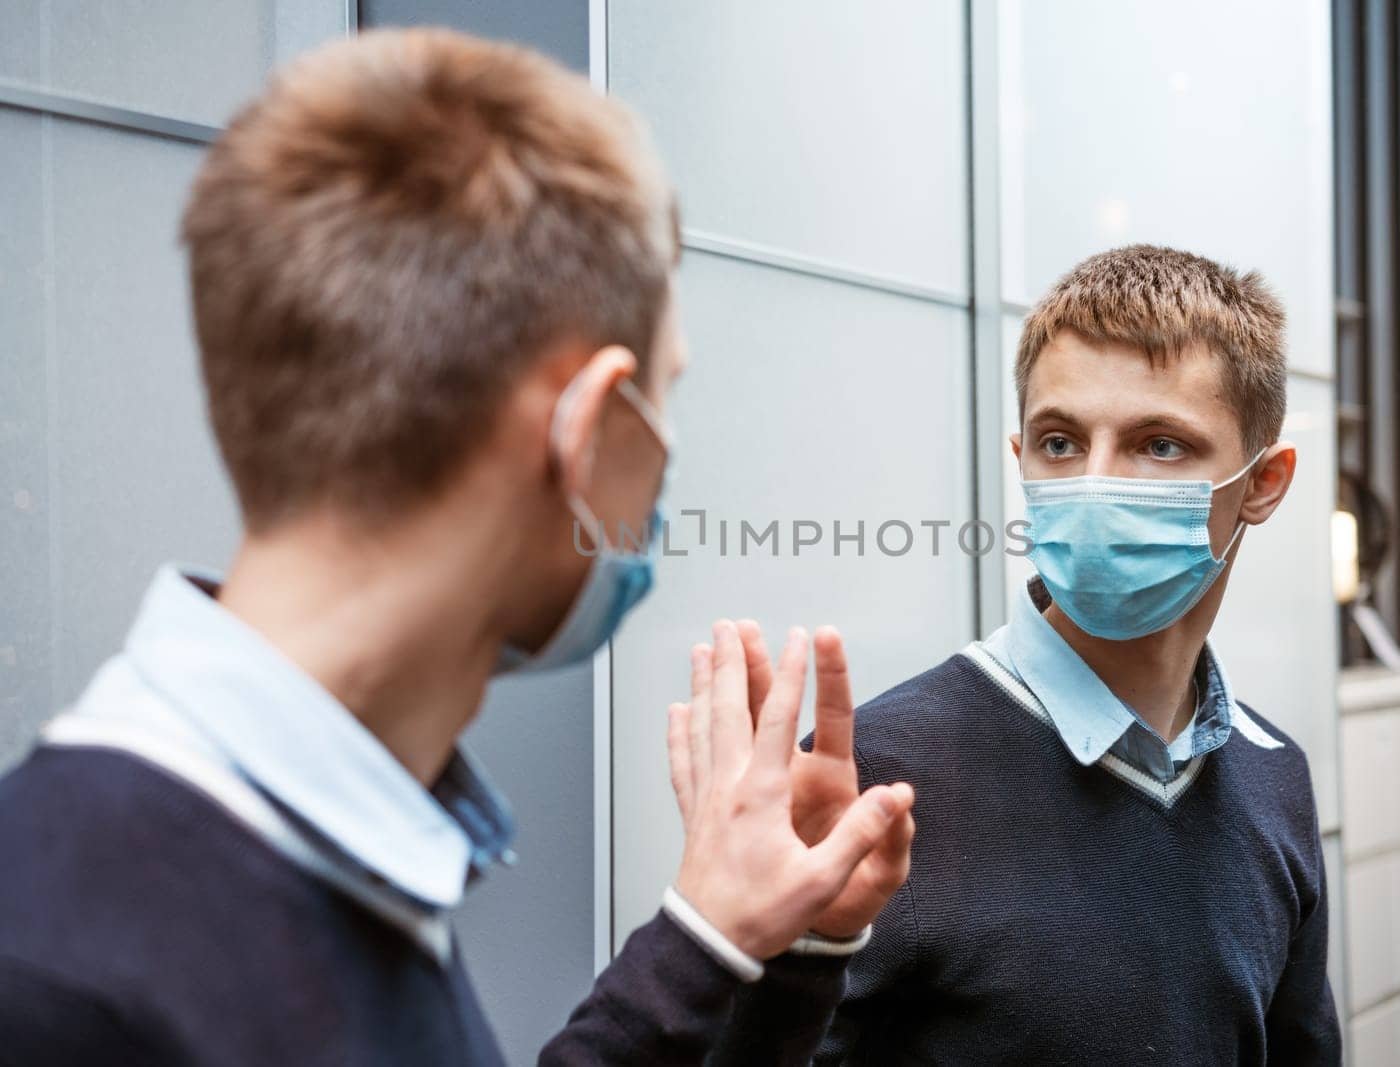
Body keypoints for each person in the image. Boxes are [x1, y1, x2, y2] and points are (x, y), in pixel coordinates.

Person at [0, 29, 914, 1066]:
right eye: (665, 399)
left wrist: (732, 938)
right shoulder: (55, 988)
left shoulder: (277, 853)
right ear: (588, 431)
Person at [721, 245, 1342, 1065]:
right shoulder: (869, 782)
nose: (1093, 483)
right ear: (1020, 459)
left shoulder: (1275, 777)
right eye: (1059, 441)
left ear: (1264, 483)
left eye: (1158, 445)